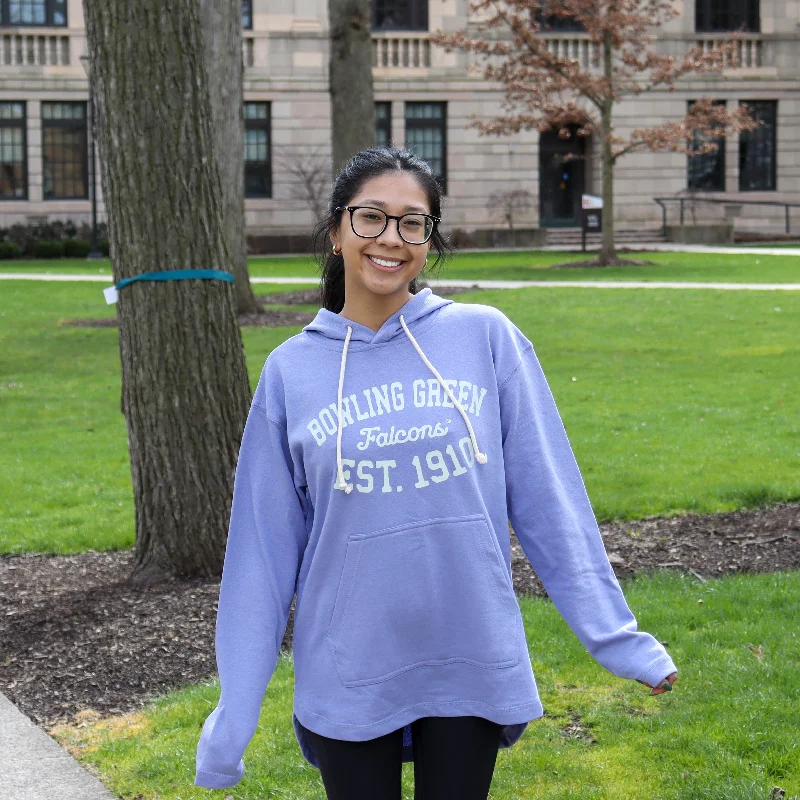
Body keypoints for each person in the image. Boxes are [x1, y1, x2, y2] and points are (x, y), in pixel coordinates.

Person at [194, 146, 678, 798]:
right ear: (337, 232)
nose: (390, 238)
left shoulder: (486, 338)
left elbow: (548, 496)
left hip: (468, 656)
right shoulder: (291, 372)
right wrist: (234, 718)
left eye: (412, 222)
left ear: (429, 240)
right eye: (371, 218)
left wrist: (620, 641)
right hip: (349, 665)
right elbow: (261, 553)